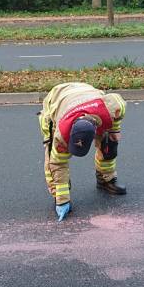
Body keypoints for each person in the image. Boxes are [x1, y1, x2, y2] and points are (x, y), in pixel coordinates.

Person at [39, 82, 127, 221]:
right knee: (52, 156)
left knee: (109, 143)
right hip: (56, 100)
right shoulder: (61, 134)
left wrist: (114, 129)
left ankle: (105, 180)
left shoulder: (109, 108)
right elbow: (58, 164)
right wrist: (62, 199)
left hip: (88, 95)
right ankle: (57, 195)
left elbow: (119, 105)